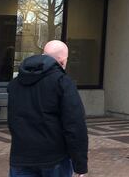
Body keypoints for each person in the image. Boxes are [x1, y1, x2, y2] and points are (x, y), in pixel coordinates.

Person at [7, 40, 88, 177]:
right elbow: (74, 124)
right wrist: (80, 165)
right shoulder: (62, 82)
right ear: (62, 60)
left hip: (21, 156)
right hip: (54, 158)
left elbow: (13, 120)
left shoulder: (16, 83)